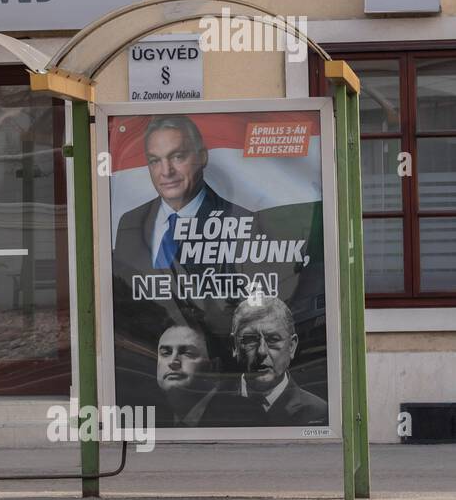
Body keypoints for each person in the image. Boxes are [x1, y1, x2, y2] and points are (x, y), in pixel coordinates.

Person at [113, 115, 251, 276]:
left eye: (177, 157)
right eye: (155, 160)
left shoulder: (241, 221)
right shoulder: (130, 222)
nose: (166, 172)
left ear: (202, 157)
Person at [231, 296, 328, 425]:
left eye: (273, 340)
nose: (261, 351)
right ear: (234, 346)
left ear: (292, 347)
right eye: (250, 340)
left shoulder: (319, 411)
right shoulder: (213, 404)